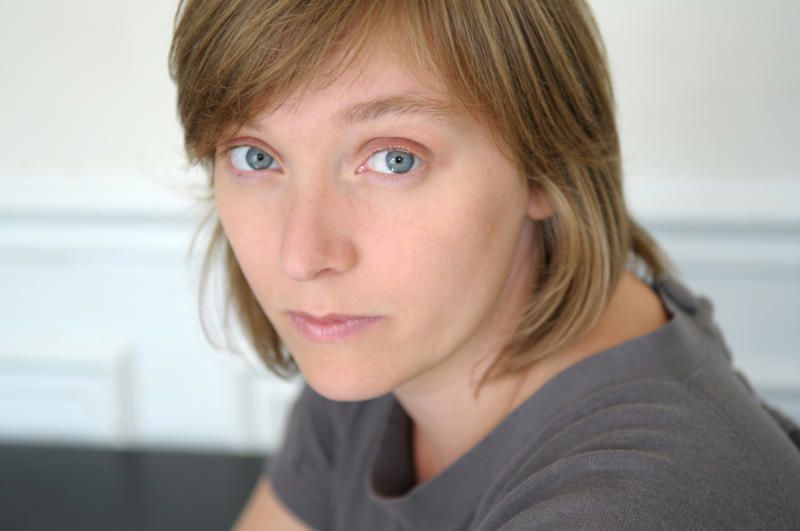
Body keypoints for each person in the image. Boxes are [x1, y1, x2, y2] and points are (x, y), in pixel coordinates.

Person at [169, 1, 800, 529]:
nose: (303, 256)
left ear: (546, 165)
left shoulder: (628, 505)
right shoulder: (379, 352)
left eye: (394, 159)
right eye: (255, 157)